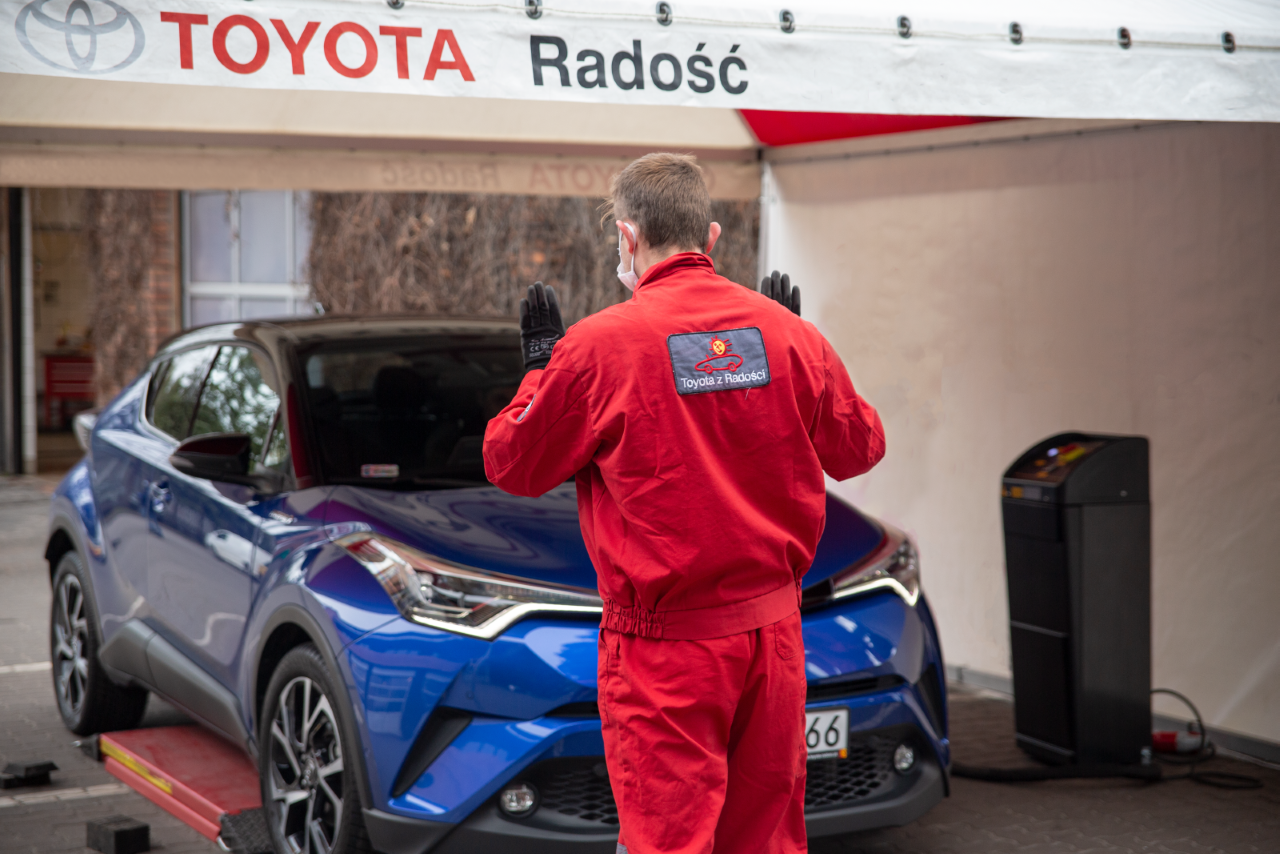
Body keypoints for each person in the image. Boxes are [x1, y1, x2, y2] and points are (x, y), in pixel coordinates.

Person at [483, 153, 885, 854]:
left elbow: (513, 462)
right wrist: (788, 356)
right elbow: (860, 448)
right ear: (712, 236)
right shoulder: (789, 337)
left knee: (668, 841)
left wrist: (540, 371)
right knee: (765, 840)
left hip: (667, 653)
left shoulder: (598, 347)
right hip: (774, 643)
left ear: (628, 238)